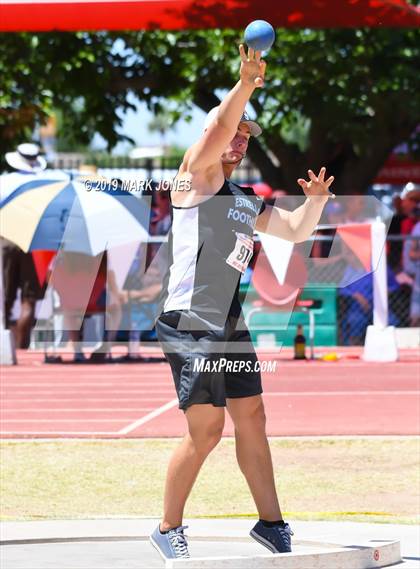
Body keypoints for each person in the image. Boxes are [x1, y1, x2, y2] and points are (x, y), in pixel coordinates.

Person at [149, 45, 334, 560]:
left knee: (251, 415)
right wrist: (247, 82)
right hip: (188, 319)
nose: (238, 140)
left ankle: (271, 524)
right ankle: (168, 527)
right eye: (233, 131)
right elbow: (213, 134)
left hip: (227, 321)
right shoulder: (195, 175)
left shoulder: (244, 198)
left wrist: (315, 202)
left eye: (245, 136)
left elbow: (295, 231)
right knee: (207, 430)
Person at [2, 143, 48, 348]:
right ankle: (23, 349)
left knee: (6, 298)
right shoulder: (45, 185)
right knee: (29, 301)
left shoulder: (5, 182)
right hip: (34, 242)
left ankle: (6, 350)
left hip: (7, 239)